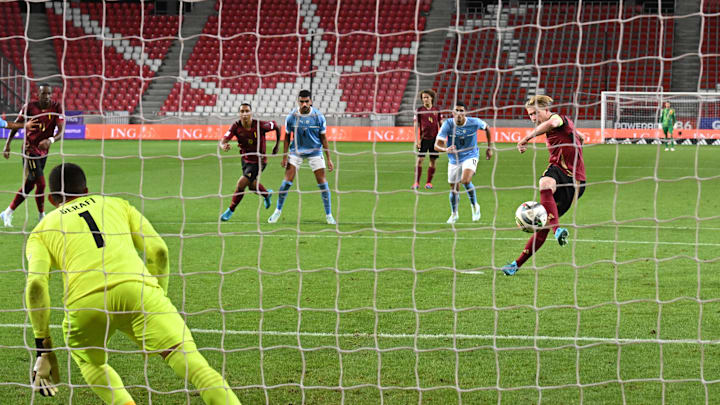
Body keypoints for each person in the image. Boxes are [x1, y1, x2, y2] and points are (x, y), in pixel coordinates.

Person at [25, 163, 242, 404]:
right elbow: (159, 251)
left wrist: (43, 348)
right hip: (139, 291)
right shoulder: (117, 205)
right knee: (198, 369)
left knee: (90, 361)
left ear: (52, 199)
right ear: (86, 190)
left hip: (86, 305)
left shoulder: (41, 231)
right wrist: (157, 297)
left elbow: (36, 285)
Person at [502, 95, 586, 276]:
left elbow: (552, 124)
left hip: (575, 181)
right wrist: (579, 139)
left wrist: (526, 138)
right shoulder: (567, 123)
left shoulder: (558, 118)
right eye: (530, 115)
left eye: (535, 113)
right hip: (558, 172)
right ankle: (516, 264)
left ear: (545, 109)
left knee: (545, 222)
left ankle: (555, 229)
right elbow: (580, 136)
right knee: (544, 185)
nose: (533, 118)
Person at [267, 89, 336, 224]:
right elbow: (286, 137)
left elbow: (324, 138)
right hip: (296, 151)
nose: (304, 104)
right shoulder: (292, 116)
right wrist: (285, 156)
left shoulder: (318, 117)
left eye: (306, 101)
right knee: (286, 183)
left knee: (322, 183)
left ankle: (329, 215)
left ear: (310, 102)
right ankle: (277, 211)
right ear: (298, 102)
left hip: (315, 151)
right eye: (301, 102)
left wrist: (329, 159)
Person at [1, 83, 65, 227]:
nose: (47, 96)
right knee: (41, 183)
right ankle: (42, 216)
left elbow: (62, 130)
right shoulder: (29, 107)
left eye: (49, 93)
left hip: (44, 151)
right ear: (38, 94)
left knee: (30, 185)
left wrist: (51, 140)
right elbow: (16, 125)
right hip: (30, 151)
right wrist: (7, 144)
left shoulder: (56, 107)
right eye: (44, 93)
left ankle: (8, 211)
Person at [434, 101, 493, 224]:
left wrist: (489, 148)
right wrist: (445, 149)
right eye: (457, 111)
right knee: (454, 188)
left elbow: (487, 128)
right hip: (454, 159)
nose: (459, 113)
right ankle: (454, 214)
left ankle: (475, 205)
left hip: (471, 155)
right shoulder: (448, 124)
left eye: (462, 111)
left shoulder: (474, 122)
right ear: (452, 113)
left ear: (465, 112)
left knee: (465, 180)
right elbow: (436, 145)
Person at [219, 102, 280, 221]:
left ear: (251, 113)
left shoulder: (260, 125)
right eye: (242, 111)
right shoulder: (236, 126)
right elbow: (223, 140)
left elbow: (276, 126)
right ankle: (267, 194)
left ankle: (230, 210)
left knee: (241, 184)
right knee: (252, 186)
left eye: (247, 111)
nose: (245, 114)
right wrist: (223, 146)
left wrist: (276, 146)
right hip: (245, 160)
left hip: (259, 161)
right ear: (239, 114)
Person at [413, 89, 441, 190]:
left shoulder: (437, 110)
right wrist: (417, 140)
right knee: (420, 160)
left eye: (427, 97)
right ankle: (416, 182)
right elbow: (416, 125)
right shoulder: (419, 110)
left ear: (431, 98)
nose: (425, 99)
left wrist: (442, 139)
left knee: (433, 161)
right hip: (423, 139)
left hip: (435, 140)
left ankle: (429, 182)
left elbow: (441, 125)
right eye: (423, 97)